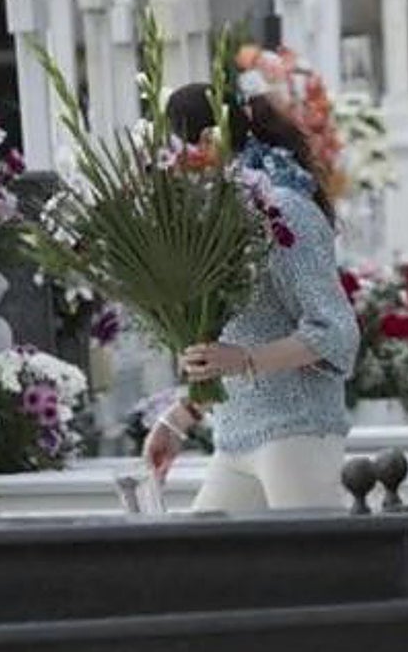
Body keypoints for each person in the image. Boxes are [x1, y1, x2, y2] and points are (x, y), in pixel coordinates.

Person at [142, 82, 360, 512]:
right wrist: (180, 417)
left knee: (314, 558)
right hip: (234, 439)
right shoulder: (210, 215)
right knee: (199, 555)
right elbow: (230, 343)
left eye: (173, 152)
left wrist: (244, 360)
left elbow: (336, 332)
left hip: (297, 433)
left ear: (208, 143)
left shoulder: (282, 210)